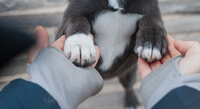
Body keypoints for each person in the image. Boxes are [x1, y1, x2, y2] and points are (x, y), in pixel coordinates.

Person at [0, 27, 200, 109]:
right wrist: (179, 98)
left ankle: (129, 89)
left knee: (128, 75)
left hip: (127, 62)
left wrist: (43, 93)